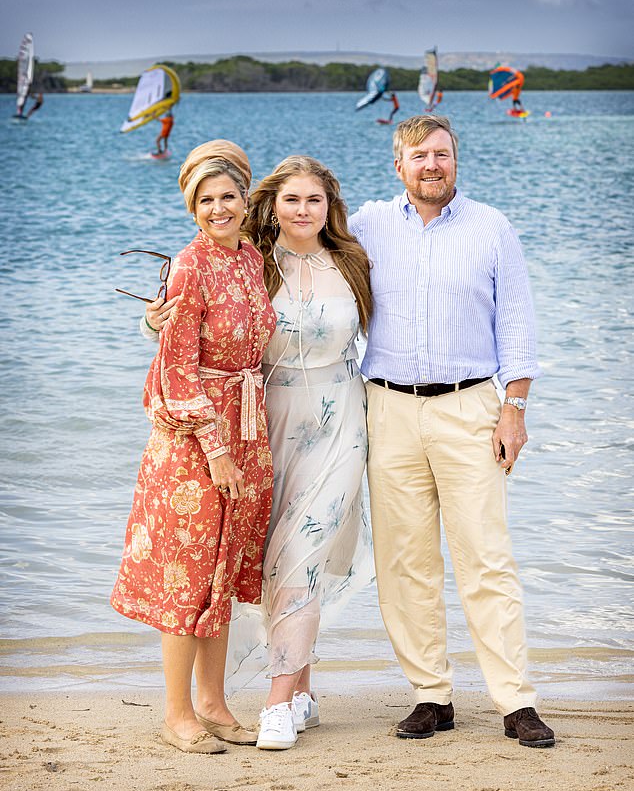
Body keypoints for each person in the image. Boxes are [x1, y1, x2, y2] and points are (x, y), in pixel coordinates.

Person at [145, 156, 374, 751]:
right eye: (291, 199)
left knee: (295, 551)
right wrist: (153, 321)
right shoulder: (245, 257)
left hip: (333, 419)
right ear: (272, 204)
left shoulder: (338, 259)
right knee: (223, 563)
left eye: (314, 200)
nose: (302, 210)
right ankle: (224, 703)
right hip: (252, 423)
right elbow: (182, 334)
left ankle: (271, 698)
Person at [348, 114, 555, 748]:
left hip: (471, 409)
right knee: (404, 560)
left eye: (442, 154)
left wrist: (514, 408)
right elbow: (301, 267)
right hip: (386, 410)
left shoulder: (491, 229)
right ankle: (431, 696)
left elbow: (516, 323)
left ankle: (515, 702)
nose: (431, 165)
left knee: (486, 558)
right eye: (419, 157)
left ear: (456, 161)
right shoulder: (364, 227)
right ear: (399, 166)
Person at [111, 139, 278, 754]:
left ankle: (214, 702)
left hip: (248, 429)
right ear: (192, 207)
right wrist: (218, 450)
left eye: (228, 196)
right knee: (184, 574)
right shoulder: (189, 266)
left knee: (223, 572)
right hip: (193, 443)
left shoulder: (251, 259)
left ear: (244, 199)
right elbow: (177, 368)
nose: (218, 208)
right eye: (205, 200)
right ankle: (178, 713)